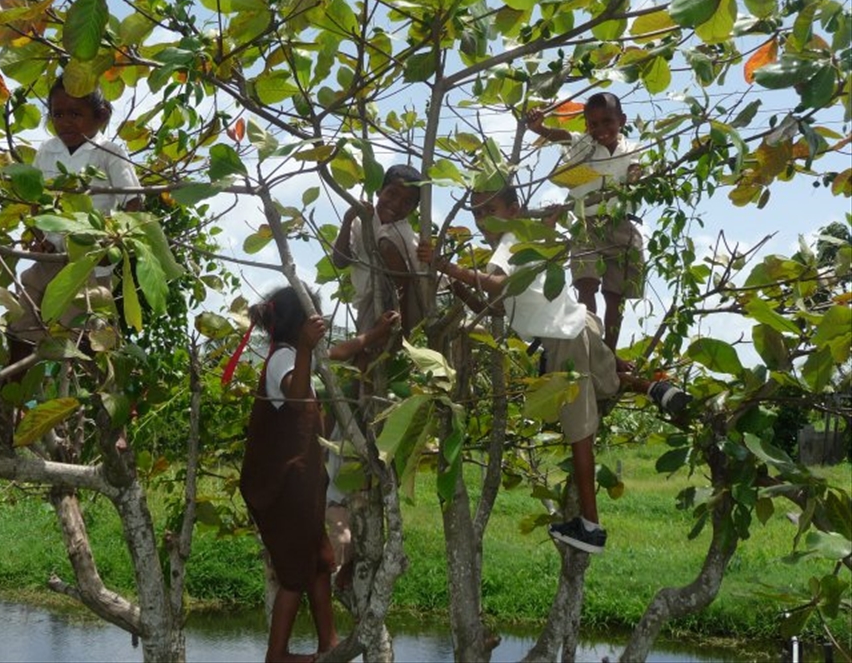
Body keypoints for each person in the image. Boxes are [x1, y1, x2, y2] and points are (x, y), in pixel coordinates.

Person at [418, 185, 689, 555]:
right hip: (582, 321)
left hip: (562, 338)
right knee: (606, 384)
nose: (483, 220)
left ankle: (591, 527)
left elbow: (502, 284)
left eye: (490, 209)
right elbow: (498, 307)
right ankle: (658, 389)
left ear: (514, 210)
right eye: (477, 213)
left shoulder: (509, 244)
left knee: (579, 431)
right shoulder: (527, 240)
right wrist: (453, 283)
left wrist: (448, 266)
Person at [239, 285, 398, 662]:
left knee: (320, 561)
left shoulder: (297, 352)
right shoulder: (283, 358)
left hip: (301, 486)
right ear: (300, 324)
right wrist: (309, 349)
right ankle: (276, 655)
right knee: (295, 572)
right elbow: (295, 399)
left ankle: (328, 641)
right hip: (283, 489)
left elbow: (340, 351)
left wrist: (375, 334)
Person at [7, 75, 141, 364]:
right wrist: (40, 239)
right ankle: (11, 401)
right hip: (51, 257)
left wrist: (112, 243)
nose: (65, 121)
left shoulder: (111, 153)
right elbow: (36, 201)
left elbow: (134, 203)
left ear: (101, 116)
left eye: (76, 114)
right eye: (58, 114)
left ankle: (96, 396)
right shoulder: (47, 150)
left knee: (87, 335)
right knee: (21, 322)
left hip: (89, 261)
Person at [527, 92, 644, 351]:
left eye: (607, 122)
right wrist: (540, 128)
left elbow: (637, 169)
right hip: (587, 224)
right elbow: (562, 136)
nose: (601, 129)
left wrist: (636, 176)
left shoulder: (633, 148)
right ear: (586, 126)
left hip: (622, 225)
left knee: (616, 295)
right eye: (593, 124)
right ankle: (592, 346)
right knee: (587, 284)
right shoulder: (584, 145)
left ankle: (609, 353)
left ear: (621, 120)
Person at [331, 164, 427, 343]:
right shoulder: (360, 222)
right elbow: (340, 261)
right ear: (379, 191)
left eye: (407, 202)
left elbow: (426, 276)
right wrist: (348, 219)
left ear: (414, 209)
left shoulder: (406, 235)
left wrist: (403, 321)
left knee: (386, 246)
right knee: (365, 358)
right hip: (368, 306)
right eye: (391, 194)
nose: (397, 204)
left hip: (402, 307)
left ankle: (401, 329)